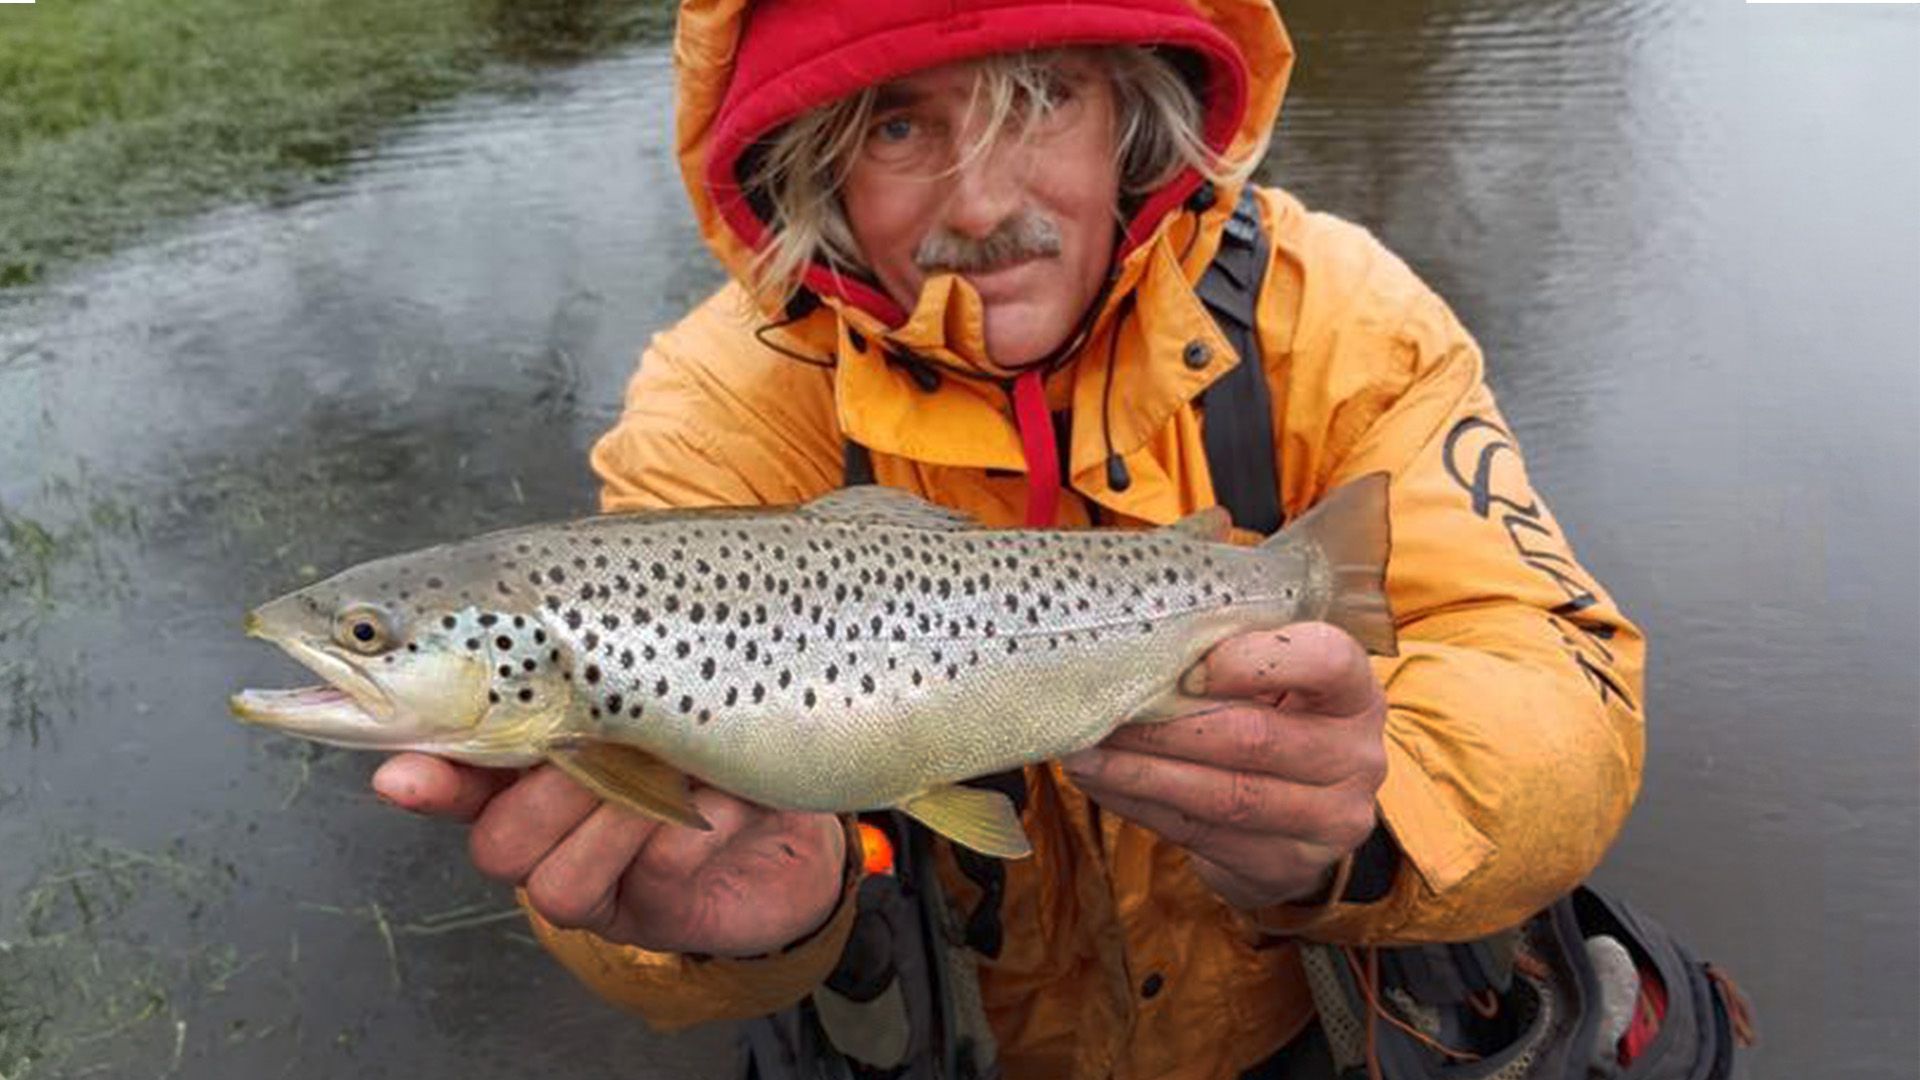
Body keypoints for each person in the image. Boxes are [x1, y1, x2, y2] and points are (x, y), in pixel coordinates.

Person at [370, 1, 1646, 1076]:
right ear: (811, 157)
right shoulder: (718, 408)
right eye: (899, 123)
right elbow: (620, 865)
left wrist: (1372, 818)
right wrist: (745, 929)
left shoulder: (1339, 318)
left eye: (1040, 96)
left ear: (1131, 110)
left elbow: (1554, 672)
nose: (982, 204)